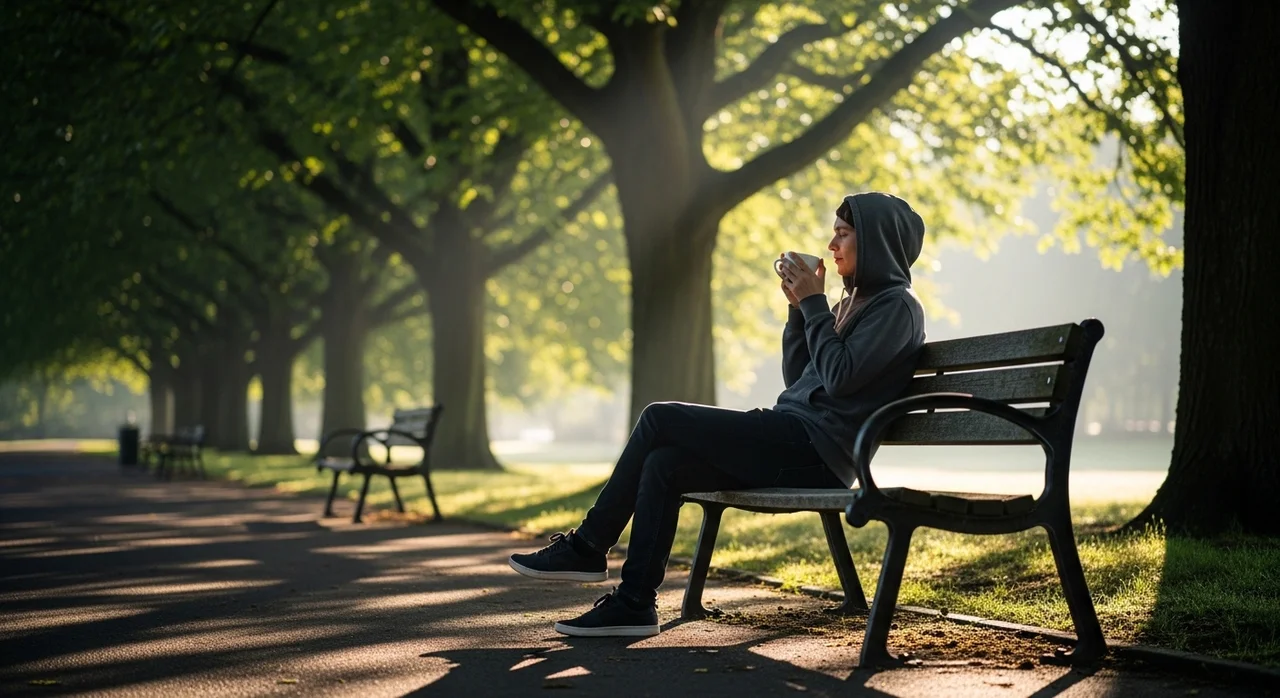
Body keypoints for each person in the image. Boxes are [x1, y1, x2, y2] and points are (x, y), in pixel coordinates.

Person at [509, 192, 928, 637]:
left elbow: (841, 378)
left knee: (659, 417)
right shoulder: (847, 304)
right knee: (664, 464)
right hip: (792, 437)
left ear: (878, 242)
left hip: (817, 452)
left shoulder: (897, 308)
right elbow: (801, 379)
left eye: (843, 234)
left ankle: (589, 545)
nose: (831, 245)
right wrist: (797, 312)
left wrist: (813, 305)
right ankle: (634, 603)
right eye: (833, 233)